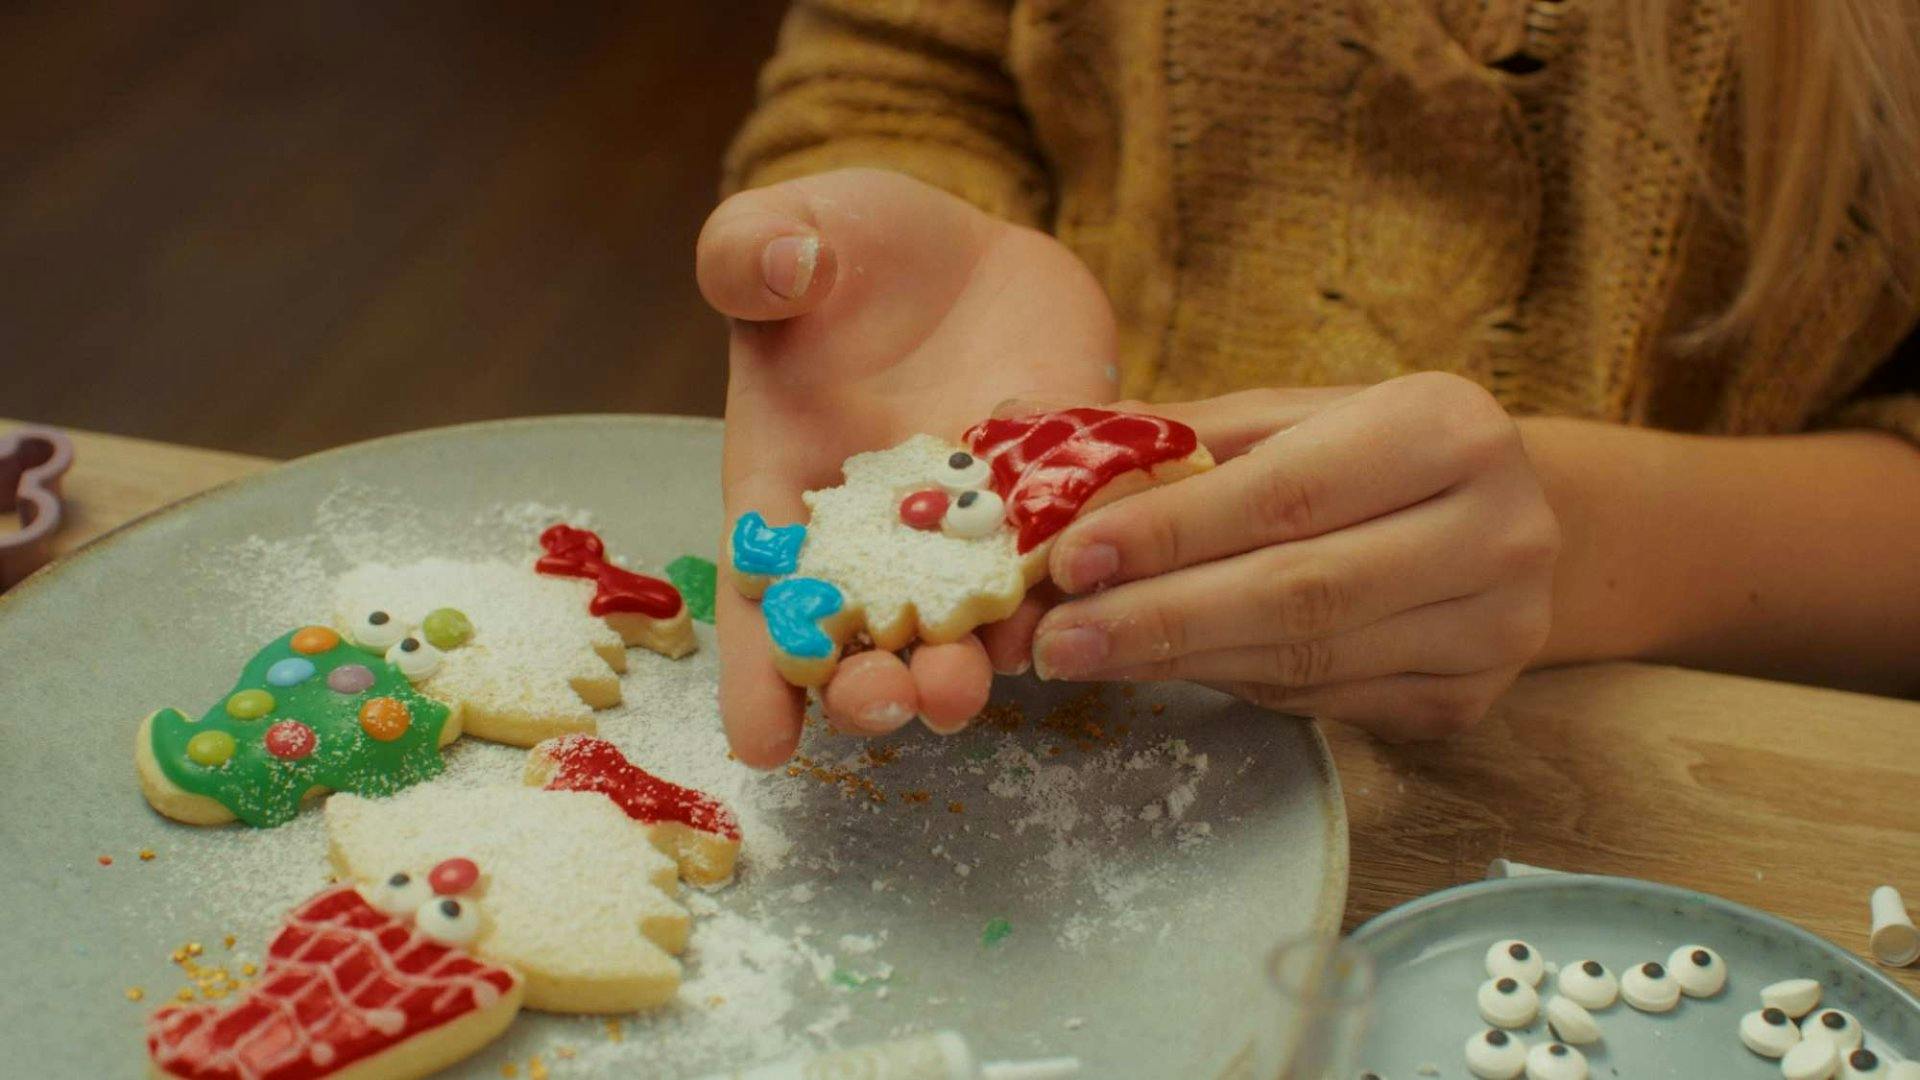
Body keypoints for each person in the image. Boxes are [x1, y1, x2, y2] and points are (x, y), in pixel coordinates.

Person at [695, 0, 1920, 768]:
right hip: (1058, 708)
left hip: (1637, 773)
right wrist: (880, 262)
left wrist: (1605, 536)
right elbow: (905, 66)